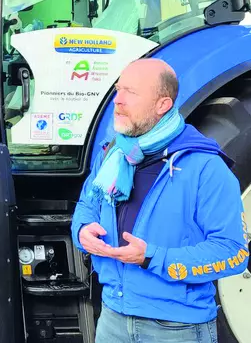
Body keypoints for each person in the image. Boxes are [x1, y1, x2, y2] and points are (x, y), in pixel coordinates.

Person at [71, 58, 249, 343]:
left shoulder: (205, 168)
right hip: (112, 320)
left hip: (176, 329)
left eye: (131, 93)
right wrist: (83, 230)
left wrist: (152, 257)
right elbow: (87, 207)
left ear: (162, 105)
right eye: (119, 90)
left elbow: (233, 254)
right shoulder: (112, 156)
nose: (118, 101)